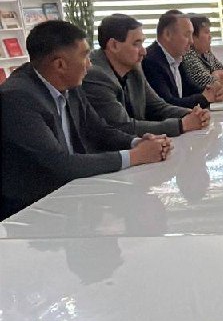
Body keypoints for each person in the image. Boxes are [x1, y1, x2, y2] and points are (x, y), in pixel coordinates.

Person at [0, 20, 170, 219]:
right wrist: (136, 156)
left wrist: (137, 142)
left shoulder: (69, 83)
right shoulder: (18, 98)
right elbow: (59, 164)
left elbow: (98, 129)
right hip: (31, 211)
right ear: (60, 65)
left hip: (74, 194)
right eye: (85, 56)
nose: (90, 64)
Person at [83, 14, 211, 137]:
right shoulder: (95, 75)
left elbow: (158, 107)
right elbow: (123, 126)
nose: (143, 51)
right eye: (136, 44)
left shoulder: (134, 68)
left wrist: (193, 113)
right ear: (114, 45)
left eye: (142, 43)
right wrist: (181, 125)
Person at [142, 11, 223, 107]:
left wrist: (214, 92)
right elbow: (167, 105)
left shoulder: (176, 57)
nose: (191, 41)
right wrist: (204, 98)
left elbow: (190, 89)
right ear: (167, 35)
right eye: (187, 35)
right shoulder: (151, 61)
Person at [182, 15, 223, 90]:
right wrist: (216, 76)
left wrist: (214, 76)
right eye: (206, 32)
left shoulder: (206, 53)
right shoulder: (188, 54)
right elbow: (206, 83)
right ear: (193, 36)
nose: (210, 37)